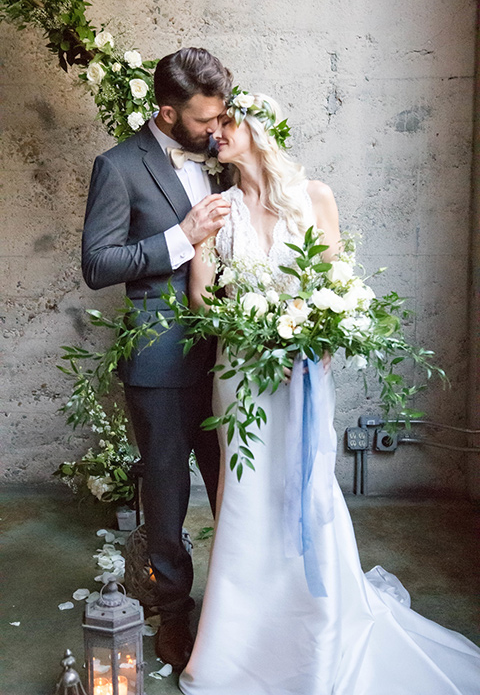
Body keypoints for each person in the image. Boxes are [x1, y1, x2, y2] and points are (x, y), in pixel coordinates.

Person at [179, 92, 480, 694]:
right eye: (211, 130)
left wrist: (317, 337)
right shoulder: (218, 207)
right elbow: (200, 299)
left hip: (304, 377)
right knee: (245, 497)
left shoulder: (314, 199)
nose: (217, 135)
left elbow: (335, 287)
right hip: (242, 375)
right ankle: (239, 643)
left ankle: (318, 626)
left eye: (227, 124)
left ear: (256, 127)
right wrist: (250, 328)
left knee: (306, 489)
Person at [81, 47, 233, 670]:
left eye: (220, 116)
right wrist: (181, 237)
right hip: (160, 364)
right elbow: (97, 264)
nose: (214, 131)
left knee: (237, 491)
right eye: (202, 121)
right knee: (168, 498)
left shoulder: (226, 153)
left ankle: (237, 604)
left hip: (232, 360)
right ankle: (174, 614)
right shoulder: (117, 166)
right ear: (166, 113)